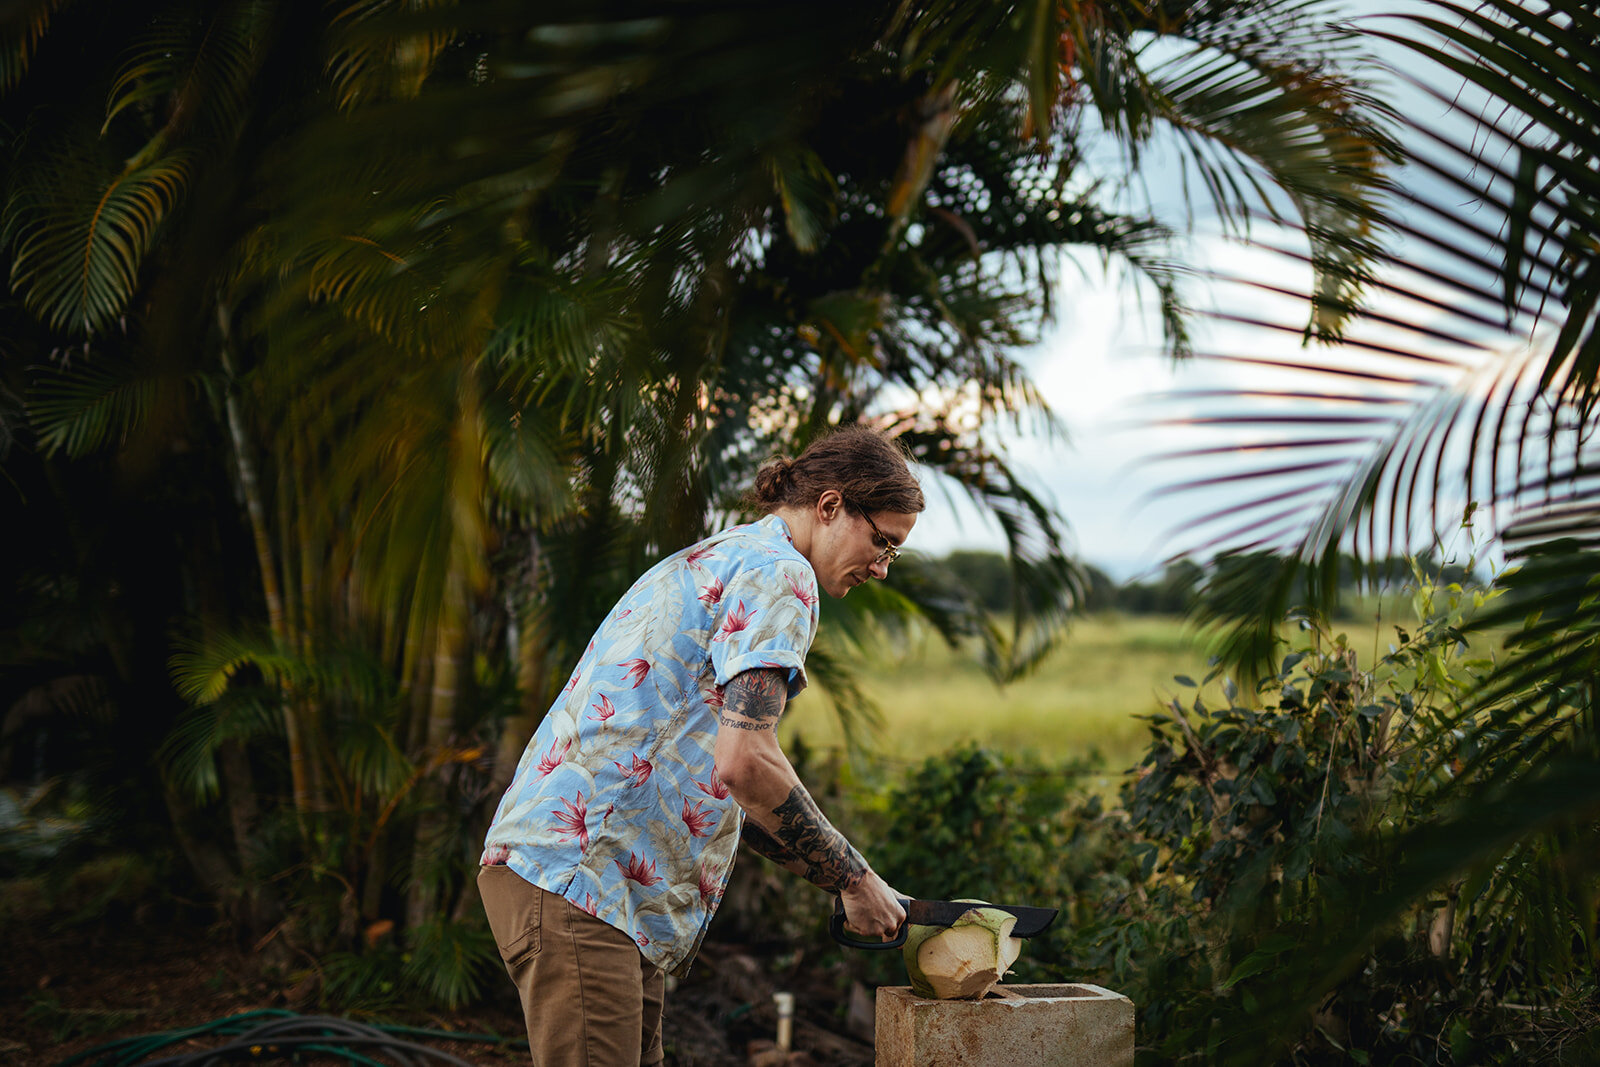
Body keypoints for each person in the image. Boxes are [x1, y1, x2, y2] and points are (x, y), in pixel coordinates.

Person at [477, 425, 922, 1066]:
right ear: (829, 506)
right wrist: (853, 878)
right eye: (882, 540)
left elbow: (732, 784)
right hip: (584, 880)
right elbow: (747, 763)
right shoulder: (781, 576)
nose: (881, 567)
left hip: (600, 887)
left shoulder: (731, 556)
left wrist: (850, 882)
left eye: (894, 553)